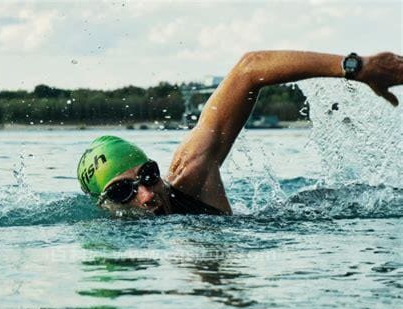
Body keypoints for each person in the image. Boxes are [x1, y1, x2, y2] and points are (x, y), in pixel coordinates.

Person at [77, 51, 403, 216]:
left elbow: (249, 68)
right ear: (103, 205)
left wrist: (357, 68)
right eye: (123, 193)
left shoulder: (192, 176)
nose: (146, 195)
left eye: (148, 176)